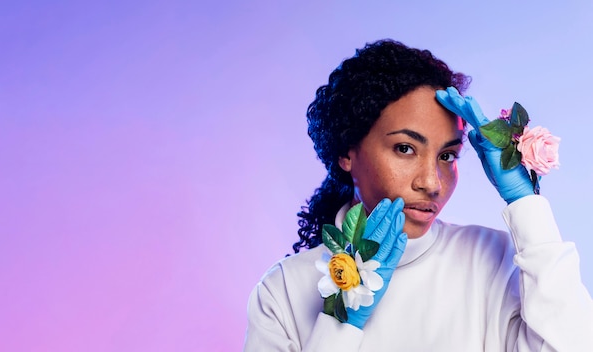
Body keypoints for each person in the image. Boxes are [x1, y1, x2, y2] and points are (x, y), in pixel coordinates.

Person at [244, 39, 593, 351]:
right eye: (405, 148)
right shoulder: (283, 291)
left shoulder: (498, 260)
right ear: (347, 151)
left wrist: (526, 204)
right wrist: (340, 327)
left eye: (447, 156)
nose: (432, 183)